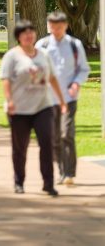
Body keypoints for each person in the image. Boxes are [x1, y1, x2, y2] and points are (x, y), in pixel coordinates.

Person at [0, 20, 68, 196]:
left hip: (43, 106)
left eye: (31, 32)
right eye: (24, 33)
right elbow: (5, 80)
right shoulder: (12, 56)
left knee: (47, 143)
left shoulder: (43, 55)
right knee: (20, 147)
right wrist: (10, 100)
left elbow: (52, 78)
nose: (29, 36)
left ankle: (48, 183)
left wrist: (61, 100)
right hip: (19, 108)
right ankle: (19, 182)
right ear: (18, 37)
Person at [36, 11, 90, 187]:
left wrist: (76, 83)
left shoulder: (75, 45)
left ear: (65, 26)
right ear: (48, 26)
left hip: (69, 97)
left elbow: (83, 69)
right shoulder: (42, 46)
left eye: (59, 27)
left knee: (67, 133)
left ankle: (69, 173)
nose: (56, 30)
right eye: (52, 27)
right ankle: (60, 170)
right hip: (48, 99)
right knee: (54, 137)